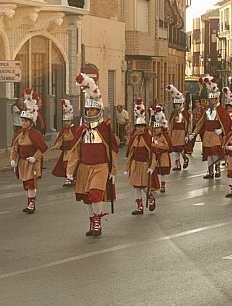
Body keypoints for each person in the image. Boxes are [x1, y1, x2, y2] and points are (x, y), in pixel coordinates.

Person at [67, 73, 118, 237]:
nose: (89, 112)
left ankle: (98, 221)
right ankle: (92, 222)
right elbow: (75, 150)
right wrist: (70, 170)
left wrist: (114, 171)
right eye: (87, 110)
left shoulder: (104, 129)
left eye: (93, 109)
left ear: (99, 110)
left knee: (96, 194)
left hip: (100, 167)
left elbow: (113, 151)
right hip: (84, 167)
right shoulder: (81, 130)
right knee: (87, 197)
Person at [10, 90, 48, 214]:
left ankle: (32, 202)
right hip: (22, 162)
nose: (24, 123)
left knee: (31, 182)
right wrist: (12, 159)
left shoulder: (35, 133)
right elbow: (14, 147)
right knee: (25, 182)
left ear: (31, 122)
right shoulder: (19, 133)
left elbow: (42, 148)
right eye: (22, 121)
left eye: (26, 121)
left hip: (32, 162)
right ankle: (29, 200)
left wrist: (35, 157)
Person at [189, 76, 232, 179]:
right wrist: (194, 133)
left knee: (215, 153)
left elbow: (228, 122)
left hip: (215, 135)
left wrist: (221, 130)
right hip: (207, 135)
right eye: (210, 98)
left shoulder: (221, 110)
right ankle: (210, 171)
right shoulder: (207, 110)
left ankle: (217, 170)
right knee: (208, 154)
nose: (211, 100)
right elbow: (200, 123)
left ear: (216, 98)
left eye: (213, 98)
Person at [124, 100, 157, 215]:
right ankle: (139, 207)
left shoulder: (149, 138)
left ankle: (150, 197)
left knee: (143, 186)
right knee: (136, 187)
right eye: (138, 127)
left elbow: (153, 154)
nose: (140, 129)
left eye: (142, 126)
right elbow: (130, 154)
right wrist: (127, 168)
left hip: (144, 165)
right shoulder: (133, 138)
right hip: (135, 165)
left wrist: (152, 167)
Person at [52, 99, 79, 186]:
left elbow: (78, 139)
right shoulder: (64, 130)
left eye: (68, 121)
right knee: (65, 164)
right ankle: (69, 178)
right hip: (66, 150)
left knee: (71, 164)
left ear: (71, 121)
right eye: (65, 121)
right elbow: (60, 139)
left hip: (72, 150)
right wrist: (56, 146)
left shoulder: (75, 130)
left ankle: (71, 178)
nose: (66, 123)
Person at [167, 84, 190, 170]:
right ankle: (177, 164)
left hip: (181, 132)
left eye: (178, 104)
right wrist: (170, 131)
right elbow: (170, 122)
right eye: (175, 104)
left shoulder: (184, 112)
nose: (176, 106)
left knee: (180, 147)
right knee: (175, 148)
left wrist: (187, 134)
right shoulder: (173, 112)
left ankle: (185, 158)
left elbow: (188, 123)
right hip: (174, 132)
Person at [150, 105, 172, 193]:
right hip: (155, 156)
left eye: (157, 128)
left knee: (163, 172)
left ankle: (163, 185)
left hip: (163, 156)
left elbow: (167, 146)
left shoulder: (164, 136)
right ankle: (154, 185)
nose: (155, 130)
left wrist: (158, 144)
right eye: (154, 128)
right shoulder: (152, 136)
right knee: (154, 171)